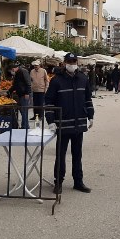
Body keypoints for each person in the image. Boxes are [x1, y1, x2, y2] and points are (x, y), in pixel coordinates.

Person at [45, 53, 94, 194]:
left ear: (77, 62)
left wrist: (91, 116)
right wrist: (51, 121)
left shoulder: (83, 79)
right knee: (60, 155)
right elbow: (49, 102)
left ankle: (78, 182)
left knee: (77, 155)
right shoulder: (56, 81)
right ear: (64, 63)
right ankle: (58, 182)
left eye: (74, 61)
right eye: (69, 61)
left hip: (79, 124)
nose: (72, 64)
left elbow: (88, 100)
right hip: (63, 124)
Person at [8, 61, 31, 130]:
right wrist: (9, 91)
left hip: (24, 94)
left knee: (24, 110)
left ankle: (25, 127)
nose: (12, 71)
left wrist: (27, 92)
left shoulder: (23, 71)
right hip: (20, 94)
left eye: (12, 69)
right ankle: (24, 125)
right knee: (22, 110)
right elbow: (15, 85)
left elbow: (28, 82)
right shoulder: (17, 73)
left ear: (15, 68)